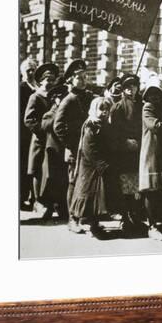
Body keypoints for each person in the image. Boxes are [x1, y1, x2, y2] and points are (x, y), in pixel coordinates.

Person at [53, 59, 94, 232]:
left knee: (87, 181)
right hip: (74, 150)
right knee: (74, 182)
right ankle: (72, 219)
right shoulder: (68, 100)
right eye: (79, 77)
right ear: (70, 80)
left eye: (85, 76)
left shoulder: (89, 97)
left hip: (88, 150)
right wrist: (71, 144)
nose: (83, 80)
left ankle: (85, 216)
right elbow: (58, 126)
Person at [69, 97, 113, 238]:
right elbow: (89, 149)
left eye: (107, 109)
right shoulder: (91, 125)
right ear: (94, 110)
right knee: (86, 194)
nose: (104, 112)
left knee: (96, 197)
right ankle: (74, 220)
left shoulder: (103, 124)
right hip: (90, 166)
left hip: (98, 165)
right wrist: (100, 164)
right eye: (101, 109)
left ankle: (94, 223)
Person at [109, 73, 144, 235]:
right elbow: (114, 131)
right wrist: (126, 142)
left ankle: (136, 217)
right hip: (125, 154)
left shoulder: (143, 105)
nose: (131, 89)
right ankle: (126, 218)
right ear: (123, 89)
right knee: (126, 188)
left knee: (138, 188)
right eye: (127, 86)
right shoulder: (118, 107)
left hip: (141, 152)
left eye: (134, 86)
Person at [24, 62, 59, 216]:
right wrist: (42, 131)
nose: (50, 83)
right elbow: (29, 120)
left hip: (53, 141)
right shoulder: (35, 97)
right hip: (40, 140)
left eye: (52, 80)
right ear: (41, 81)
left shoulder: (55, 97)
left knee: (51, 173)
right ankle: (39, 201)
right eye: (47, 80)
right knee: (38, 171)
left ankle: (51, 203)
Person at [139, 75, 162, 240]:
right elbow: (155, 125)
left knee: (160, 191)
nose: (154, 96)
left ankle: (160, 223)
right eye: (151, 93)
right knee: (150, 190)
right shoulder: (148, 108)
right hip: (151, 152)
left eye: (157, 92)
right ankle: (151, 225)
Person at [39, 82, 69, 219]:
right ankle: (49, 207)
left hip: (64, 150)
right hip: (53, 152)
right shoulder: (49, 114)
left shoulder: (69, 111)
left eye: (64, 97)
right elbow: (45, 125)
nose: (62, 100)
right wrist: (58, 114)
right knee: (51, 180)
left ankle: (62, 207)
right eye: (59, 98)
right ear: (55, 100)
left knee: (63, 180)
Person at [19, 58, 38, 210]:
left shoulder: (39, 87)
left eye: (33, 69)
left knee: (35, 165)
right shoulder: (21, 88)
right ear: (23, 73)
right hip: (24, 133)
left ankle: (35, 198)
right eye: (28, 70)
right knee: (24, 164)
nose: (31, 72)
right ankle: (22, 197)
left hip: (37, 131)